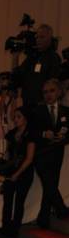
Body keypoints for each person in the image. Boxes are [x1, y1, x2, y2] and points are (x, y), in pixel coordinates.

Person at [32, 78, 69, 227]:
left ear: (59, 92)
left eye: (52, 91)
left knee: (50, 185)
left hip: (57, 153)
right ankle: (61, 209)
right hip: (40, 154)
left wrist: (64, 136)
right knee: (49, 184)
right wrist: (43, 134)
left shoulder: (66, 111)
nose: (48, 95)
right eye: (45, 92)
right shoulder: (37, 111)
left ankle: (43, 217)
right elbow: (31, 132)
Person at [0, 106, 36, 238]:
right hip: (11, 170)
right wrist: (5, 170)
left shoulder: (30, 134)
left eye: (19, 117)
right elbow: (8, 153)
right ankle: (5, 229)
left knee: (19, 202)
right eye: (14, 117)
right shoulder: (11, 134)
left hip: (24, 172)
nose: (15, 119)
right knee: (7, 201)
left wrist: (17, 174)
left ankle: (14, 231)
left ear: (25, 118)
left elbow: (29, 158)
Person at [12, 24, 61, 110]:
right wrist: (15, 57)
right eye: (37, 37)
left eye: (42, 37)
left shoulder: (53, 58)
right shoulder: (32, 57)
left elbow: (53, 83)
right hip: (27, 103)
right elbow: (17, 76)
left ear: (49, 38)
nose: (38, 40)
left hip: (43, 105)